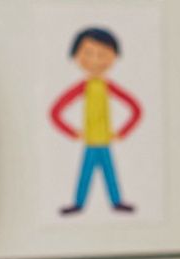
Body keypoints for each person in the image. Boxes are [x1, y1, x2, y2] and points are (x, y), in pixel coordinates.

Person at [49, 27, 141, 215]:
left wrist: (122, 132)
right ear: (77, 56)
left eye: (103, 54)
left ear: (113, 57)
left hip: (105, 140)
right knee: (86, 174)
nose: (96, 60)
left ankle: (116, 202)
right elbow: (56, 111)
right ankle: (79, 203)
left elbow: (135, 109)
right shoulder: (82, 87)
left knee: (109, 173)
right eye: (89, 54)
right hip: (90, 140)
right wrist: (72, 131)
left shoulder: (109, 87)